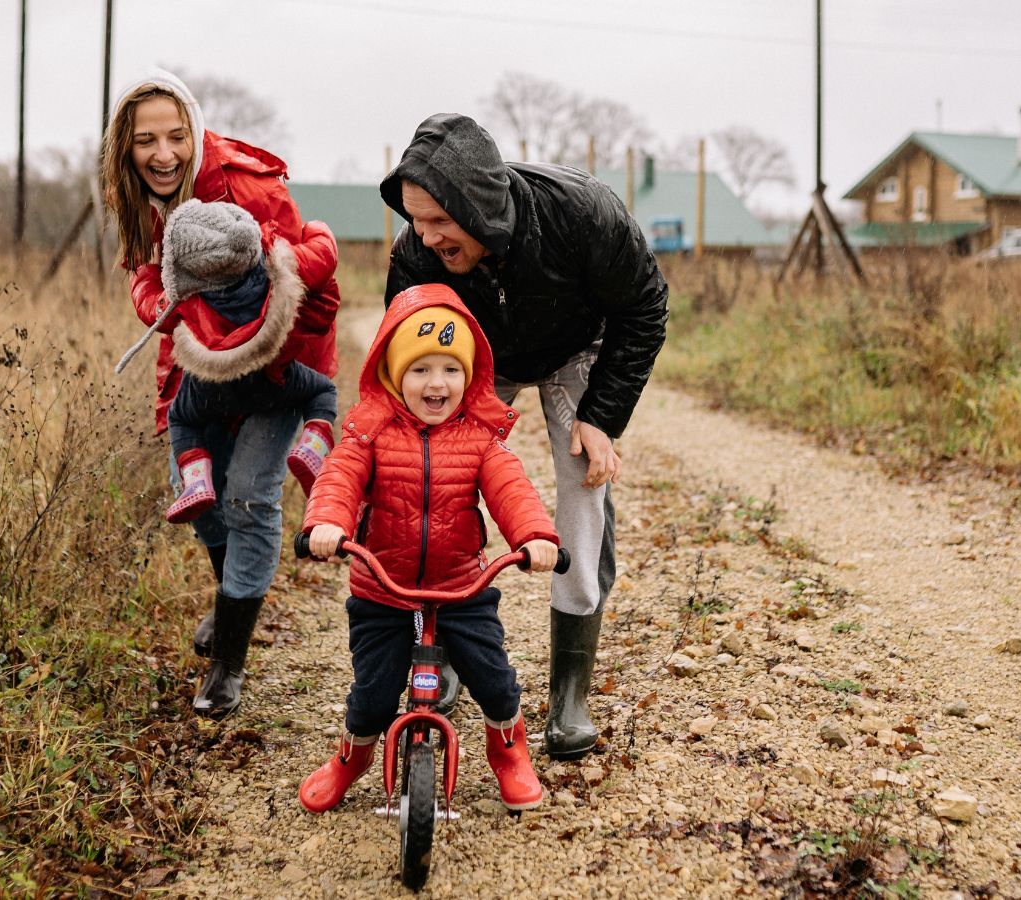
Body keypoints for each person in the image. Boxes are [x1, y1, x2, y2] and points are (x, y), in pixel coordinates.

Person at [379, 113, 668, 760]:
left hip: (577, 346)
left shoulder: (583, 213)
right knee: (436, 475)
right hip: (474, 356)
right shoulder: (415, 255)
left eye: (438, 220)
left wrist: (601, 416)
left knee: (584, 484)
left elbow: (644, 308)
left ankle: (570, 694)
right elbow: (402, 349)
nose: (424, 236)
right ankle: (440, 645)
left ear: (477, 204)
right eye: (416, 220)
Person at [103, 68, 340, 719]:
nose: (163, 154)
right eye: (145, 140)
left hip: (277, 364)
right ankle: (231, 596)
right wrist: (165, 309)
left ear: (196, 131)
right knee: (199, 495)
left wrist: (264, 355)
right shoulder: (137, 197)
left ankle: (228, 664)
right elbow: (145, 274)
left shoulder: (243, 187)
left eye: (176, 136)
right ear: (125, 147)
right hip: (199, 364)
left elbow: (311, 279)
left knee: (247, 495)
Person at [296, 285, 559, 813]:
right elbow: (340, 478)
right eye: (420, 370)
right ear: (394, 374)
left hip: (462, 587)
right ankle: (351, 758)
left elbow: (511, 489)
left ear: (470, 376)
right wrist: (326, 523)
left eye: (450, 369)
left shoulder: (480, 439)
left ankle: (509, 753)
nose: (437, 383)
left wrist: (534, 536)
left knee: (495, 681)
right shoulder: (370, 434)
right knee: (372, 695)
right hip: (382, 590)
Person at [150, 198, 339, 526]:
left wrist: (151, 270)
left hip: (209, 385)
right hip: (271, 380)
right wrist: (315, 230)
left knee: (181, 418)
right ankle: (313, 446)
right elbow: (324, 272)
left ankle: (196, 480)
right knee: (322, 390)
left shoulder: (186, 296)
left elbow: (152, 309)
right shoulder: (272, 274)